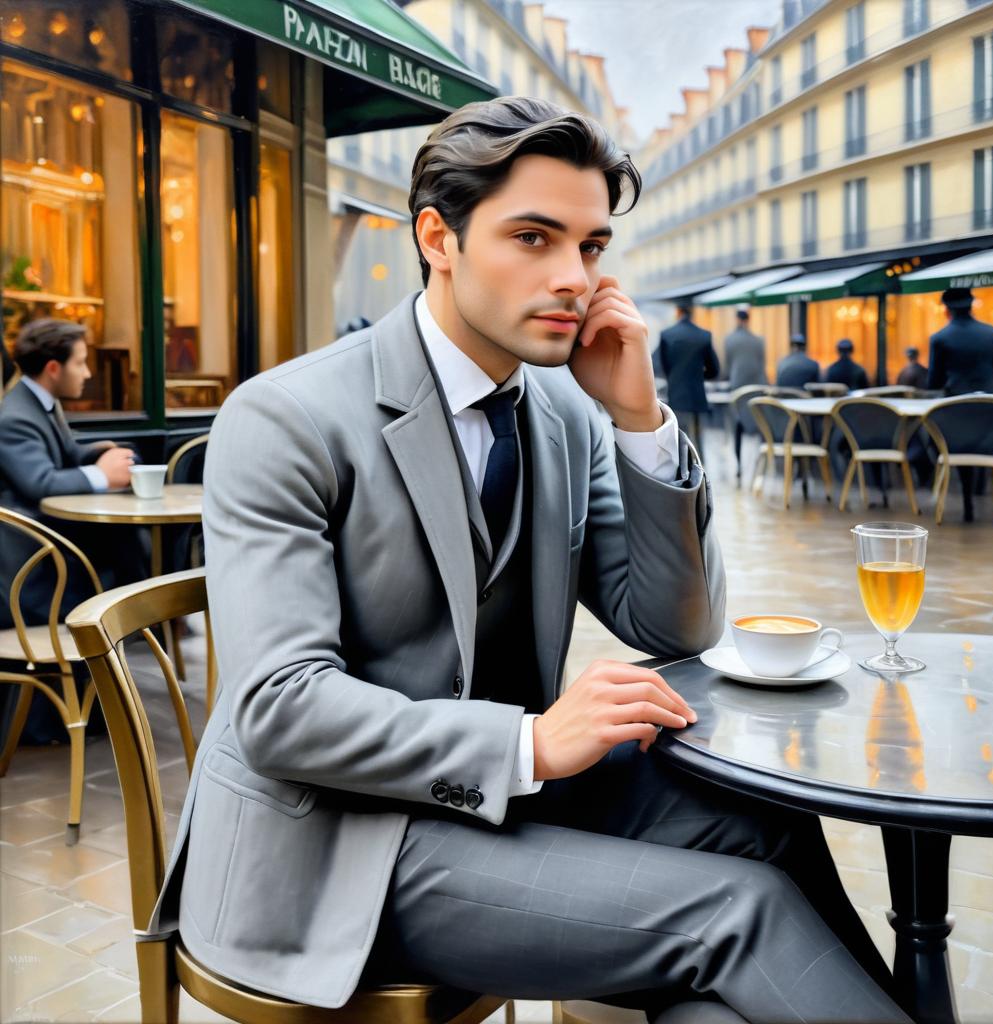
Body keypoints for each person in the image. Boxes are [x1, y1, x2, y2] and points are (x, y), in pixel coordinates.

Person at [148, 98, 908, 1024]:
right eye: (534, 238)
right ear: (440, 238)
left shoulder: (565, 417)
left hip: (502, 808)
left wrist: (640, 423)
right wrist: (530, 742)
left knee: (765, 826)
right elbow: (279, 708)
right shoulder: (286, 419)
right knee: (734, 912)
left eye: (590, 247)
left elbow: (674, 626)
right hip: (336, 850)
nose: (574, 279)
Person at [0, 318, 149, 744]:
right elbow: (41, 482)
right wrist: (101, 475)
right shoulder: (14, 417)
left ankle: (99, 700)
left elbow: (62, 454)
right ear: (52, 368)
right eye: (81, 364)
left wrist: (98, 453)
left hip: (47, 551)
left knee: (119, 553)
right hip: (27, 569)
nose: (87, 373)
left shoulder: (39, 404)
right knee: (111, 567)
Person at [927, 287, 993, 521]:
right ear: (972, 305)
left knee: (936, 437)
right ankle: (981, 489)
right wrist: (986, 394)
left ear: (946, 310)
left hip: (956, 418)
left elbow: (934, 382)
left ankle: (968, 499)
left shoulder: (940, 339)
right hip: (991, 422)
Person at [655, 301, 719, 452]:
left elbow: (664, 367)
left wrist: (676, 377)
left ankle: (681, 471)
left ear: (678, 311)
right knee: (698, 439)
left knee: (678, 438)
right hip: (697, 395)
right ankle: (700, 469)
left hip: (676, 394)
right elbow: (714, 370)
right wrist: (697, 375)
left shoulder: (667, 335)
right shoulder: (704, 336)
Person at [722, 308, 766, 475]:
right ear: (748, 320)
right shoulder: (759, 340)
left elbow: (726, 368)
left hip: (738, 388)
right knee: (760, 424)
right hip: (757, 388)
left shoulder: (729, 340)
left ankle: (739, 465)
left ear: (736, 319)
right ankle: (759, 463)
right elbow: (762, 365)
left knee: (737, 426)